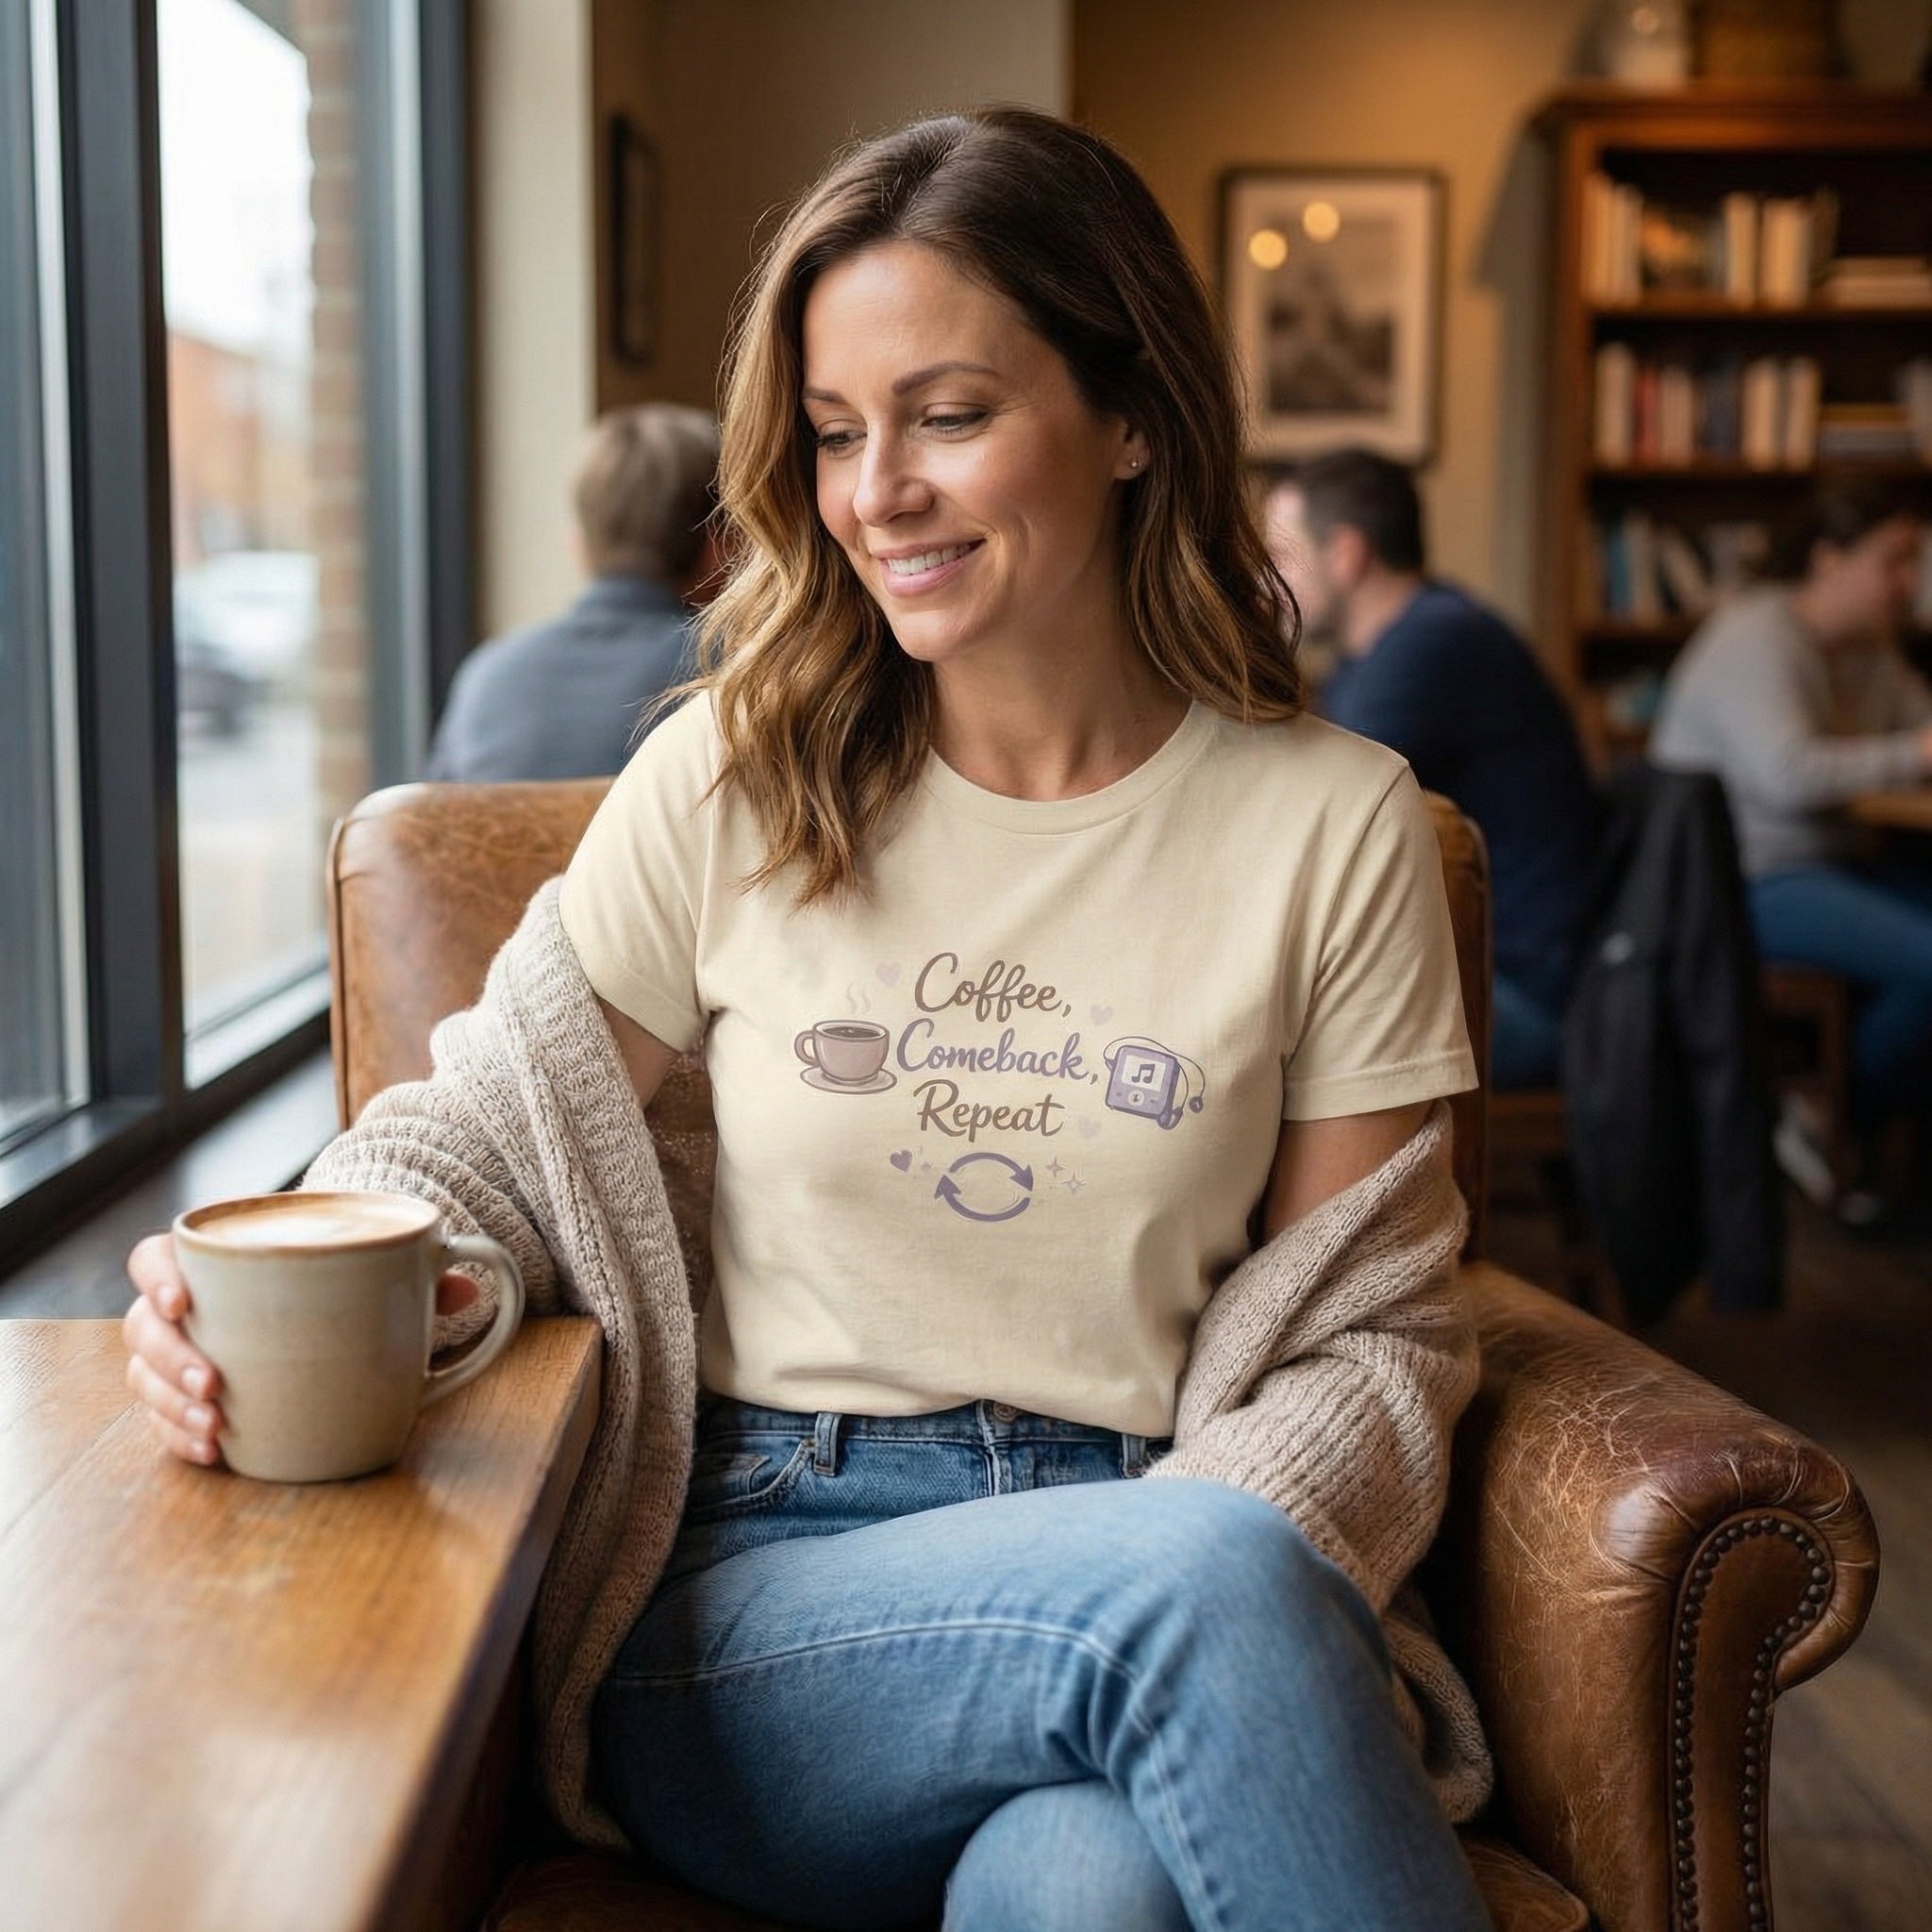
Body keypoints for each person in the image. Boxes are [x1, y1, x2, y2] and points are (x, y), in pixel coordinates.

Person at [122, 110, 1494, 1931]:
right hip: (771, 1596)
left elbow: (1368, 1332)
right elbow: (476, 1133)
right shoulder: (732, 777)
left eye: (947, 414)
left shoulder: (1338, 827)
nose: (873, 494)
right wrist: (299, 1277)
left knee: (1085, 1883)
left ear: (1135, 411)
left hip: (1161, 1519)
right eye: (837, 434)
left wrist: (1195, 1537)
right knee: (1213, 1595)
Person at [1267, 451, 1600, 1090]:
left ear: (1346, 554)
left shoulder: (1433, 644)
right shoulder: (1400, 643)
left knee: (1272, 1045)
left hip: (1525, 997)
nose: (1268, 578)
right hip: (1494, 973)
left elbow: (1305, 811)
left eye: (1282, 556)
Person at [1651, 475, 1932, 1178]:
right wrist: (1917, 752)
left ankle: (1852, 1125)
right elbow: (1790, 775)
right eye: (1894, 560)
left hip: (1838, 864)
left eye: (1917, 562)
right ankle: (1835, 1120)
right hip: (1749, 878)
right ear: (1829, 559)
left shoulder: (1873, 648)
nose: (1909, 582)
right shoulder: (1756, 634)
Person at [425, 404, 722, 780]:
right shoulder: (732, 673)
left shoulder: (486, 677)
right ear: (720, 543)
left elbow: (430, 827)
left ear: (579, 544)